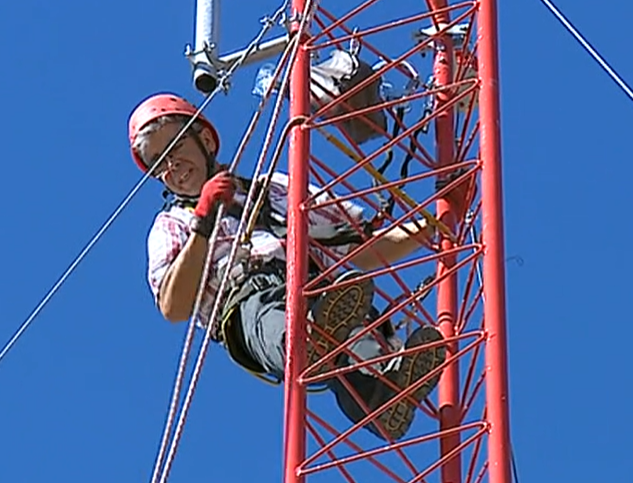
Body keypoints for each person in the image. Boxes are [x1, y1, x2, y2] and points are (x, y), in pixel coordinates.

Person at [131, 92, 447, 441]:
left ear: (204, 139)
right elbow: (174, 306)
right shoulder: (173, 224)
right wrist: (203, 224)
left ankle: (380, 397)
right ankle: (303, 342)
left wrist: (439, 222)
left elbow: (364, 248)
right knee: (273, 312)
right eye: (159, 163)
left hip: (315, 290)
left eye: (174, 148)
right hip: (247, 303)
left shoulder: (274, 190)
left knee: (351, 317)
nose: (172, 168)